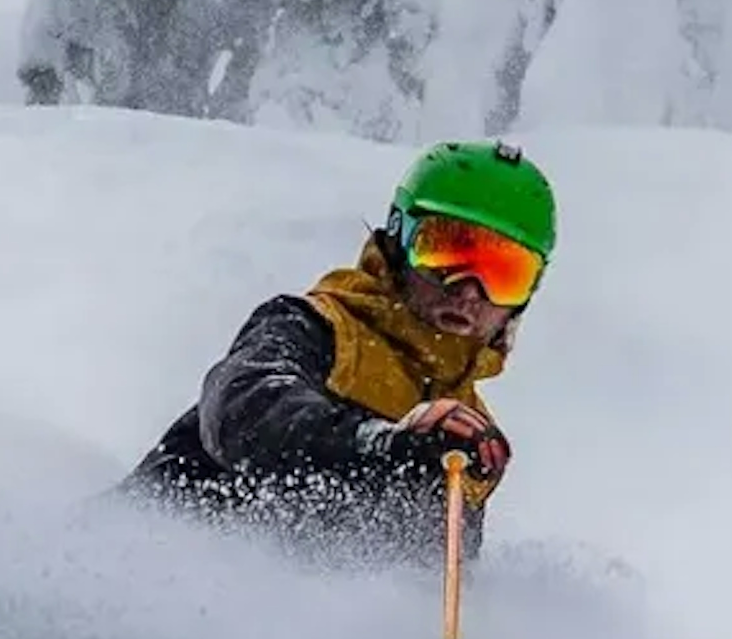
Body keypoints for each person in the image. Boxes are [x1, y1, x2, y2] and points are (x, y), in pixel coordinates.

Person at [121, 140, 554, 570]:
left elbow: (422, 584)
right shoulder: (314, 327)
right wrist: (381, 445)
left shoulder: (465, 432)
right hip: (132, 580)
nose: (468, 291)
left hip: (272, 626)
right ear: (399, 242)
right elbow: (242, 410)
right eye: (443, 252)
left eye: (505, 274)